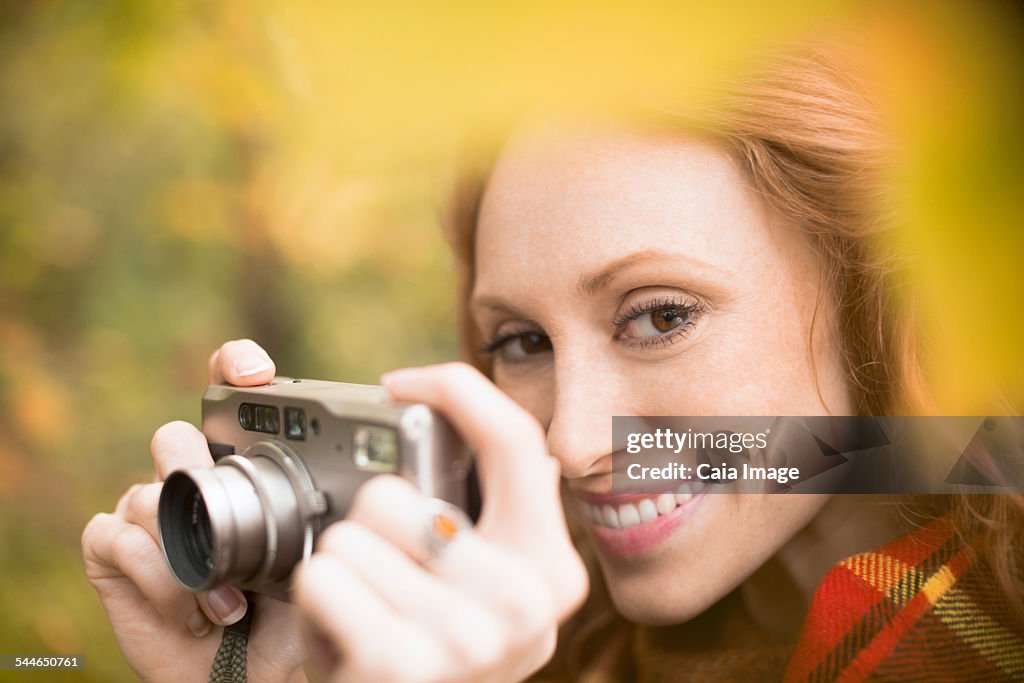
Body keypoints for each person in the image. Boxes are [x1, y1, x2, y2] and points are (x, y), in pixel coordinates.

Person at [82, 45, 1024, 681]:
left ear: (882, 294)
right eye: (521, 343)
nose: (570, 443)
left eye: (660, 315)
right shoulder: (532, 640)